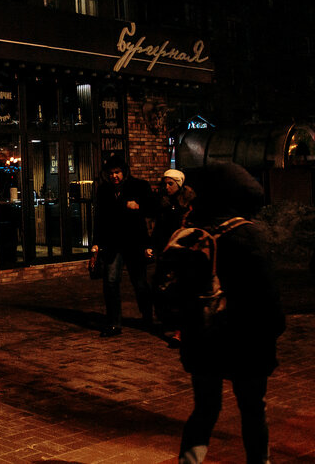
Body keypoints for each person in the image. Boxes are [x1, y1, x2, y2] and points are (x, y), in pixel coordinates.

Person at [175, 163, 285, 464]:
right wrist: (274, 329)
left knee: (205, 408)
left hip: (202, 337)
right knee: (253, 409)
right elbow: (267, 294)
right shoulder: (249, 234)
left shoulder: (192, 231)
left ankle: (189, 461)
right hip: (246, 341)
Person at [91, 155, 155, 337]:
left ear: (124, 172)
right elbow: (100, 218)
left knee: (139, 282)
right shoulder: (104, 190)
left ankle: (147, 316)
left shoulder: (139, 186)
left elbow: (152, 208)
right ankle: (114, 322)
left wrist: (138, 206)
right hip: (113, 243)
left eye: (117, 172)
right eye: (111, 173)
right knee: (110, 282)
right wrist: (96, 243)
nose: (114, 176)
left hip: (134, 241)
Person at [153, 168, 195, 345]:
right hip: (166, 249)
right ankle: (172, 322)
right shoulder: (164, 202)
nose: (167, 187)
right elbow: (159, 226)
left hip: (183, 250)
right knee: (164, 287)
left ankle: (181, 331)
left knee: (183, 290)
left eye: (171, 184)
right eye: (165, 184)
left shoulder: (188, 203)